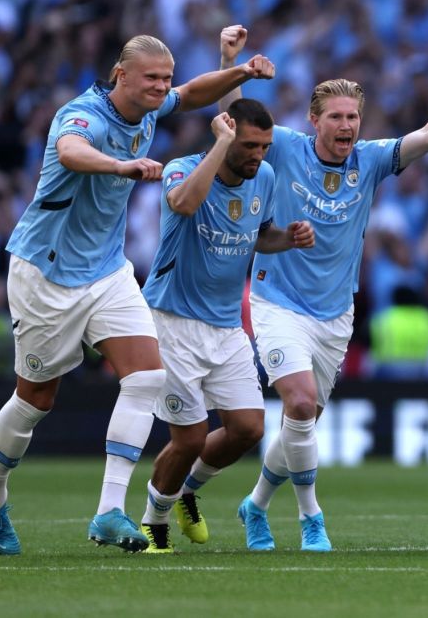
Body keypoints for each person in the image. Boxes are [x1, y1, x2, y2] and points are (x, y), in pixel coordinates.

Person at [175, 25, 428, 552]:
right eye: (337, 117)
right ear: (314, 120)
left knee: (300, 424)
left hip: (334, 314)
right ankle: (311, 519)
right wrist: (229, 59)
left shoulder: (368, 160)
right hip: (276, 301)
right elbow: (238, 123)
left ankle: (244, 503)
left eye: (353, 118)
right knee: (299, 406)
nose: (346, 126)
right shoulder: (286, 149)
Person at [0, 34, 276, 555]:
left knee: (147, 377)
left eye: (165, 77)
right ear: (121, 75)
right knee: (36, 398)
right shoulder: (83, 115)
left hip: (109, 271)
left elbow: (194, 93)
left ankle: (109, 511)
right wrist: (121, 166)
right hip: (47, 273)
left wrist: (240, 72)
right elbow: (71, 151)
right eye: (151, 78)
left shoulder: (153, 108)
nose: (161, 86)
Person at [137, 101, 315, 553]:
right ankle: (153, 519)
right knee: (191, 436)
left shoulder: (265, 179)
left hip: (226, 326)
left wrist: (288, 239)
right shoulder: (184, 170)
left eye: (265, 147)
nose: (259, 155)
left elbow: (259, 236)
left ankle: (186, 491)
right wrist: (219, 142)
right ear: (227, 138)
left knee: (249, 429)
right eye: (250, 146)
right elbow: (182, 202)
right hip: (172, 322)